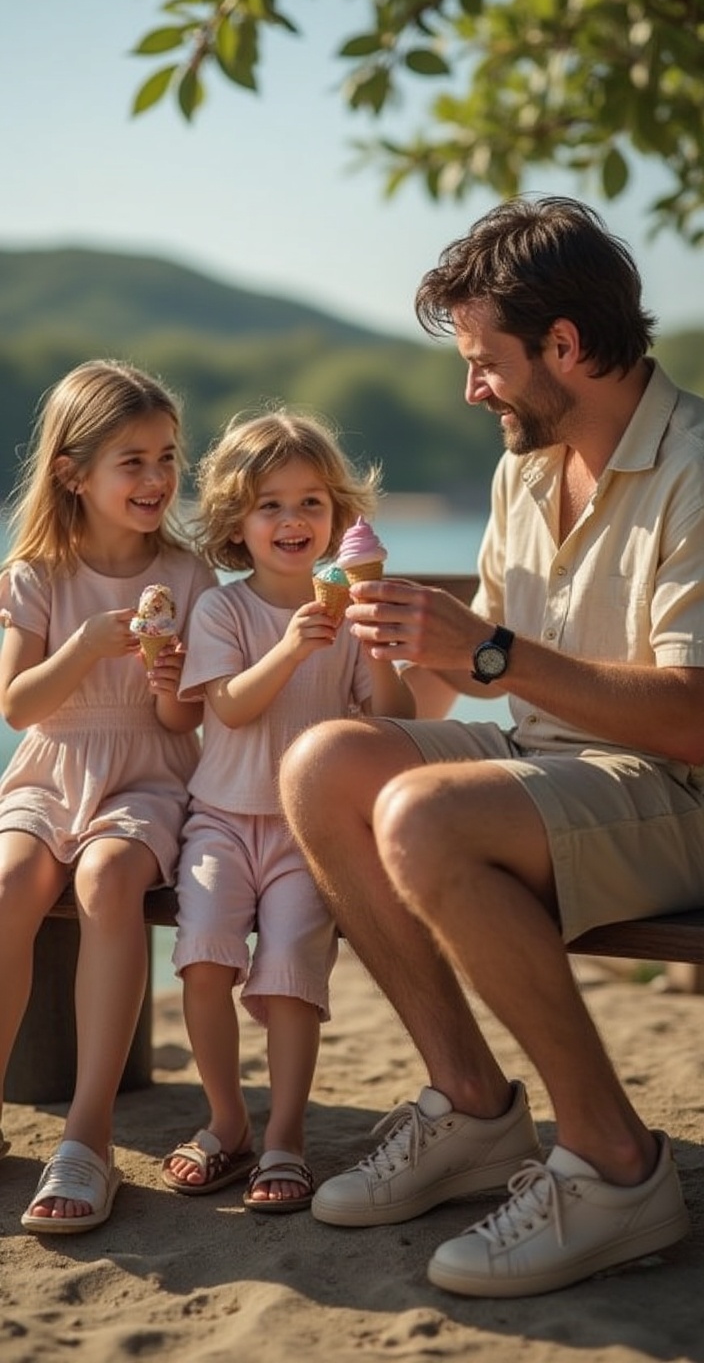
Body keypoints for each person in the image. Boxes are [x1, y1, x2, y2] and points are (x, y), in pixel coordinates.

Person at [279, 196, 704, 1297]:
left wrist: (487, 653)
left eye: (483, 361)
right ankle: (472, 1110)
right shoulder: (524, 468)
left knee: (422, 814)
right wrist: (374, 657)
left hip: (675, 785)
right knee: (324, 762)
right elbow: (462, 673)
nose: (470, 388)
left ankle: (617, 1167)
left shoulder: (696, 465)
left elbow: (689, 713)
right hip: (551, 768)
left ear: (564, 345)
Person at [161, 409, 414, 1212]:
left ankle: (287, 1135)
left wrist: (372, 644)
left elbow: (392, 720)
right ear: (238, 521)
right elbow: (227, 707)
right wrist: (292, 645)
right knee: (204, 956)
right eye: (270, 504)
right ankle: (229, 1121)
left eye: (311, 502)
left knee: (292, 978)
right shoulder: (223, 611)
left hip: (314, 832)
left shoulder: (350, 618)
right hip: (223, 822)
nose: (292, 519)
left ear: (338, 516)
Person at [0, 359, 215, 1234]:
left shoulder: (190, 576)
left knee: (107, 881)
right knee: (9, 887)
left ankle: (87, 1134)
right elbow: (19, 704)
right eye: (133, 460)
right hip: (52, 767)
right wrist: (87, 647)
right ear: (73, 473)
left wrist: (170, 676)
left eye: (167, 456)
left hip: (149, 773)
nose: (158, 478)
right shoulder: (36, 575)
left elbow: (178, 719)